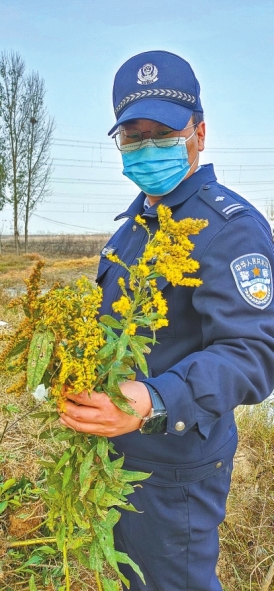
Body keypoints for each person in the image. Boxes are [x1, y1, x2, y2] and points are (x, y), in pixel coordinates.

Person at [60, 51, 274, 591]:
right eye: (133, 136)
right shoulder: (135, 226)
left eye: (163, 132)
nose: (146, 147)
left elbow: (253, 353)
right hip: (120, 458)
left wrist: (155, 400)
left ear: (199, 132)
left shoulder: (229, 228)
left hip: (175, 466)